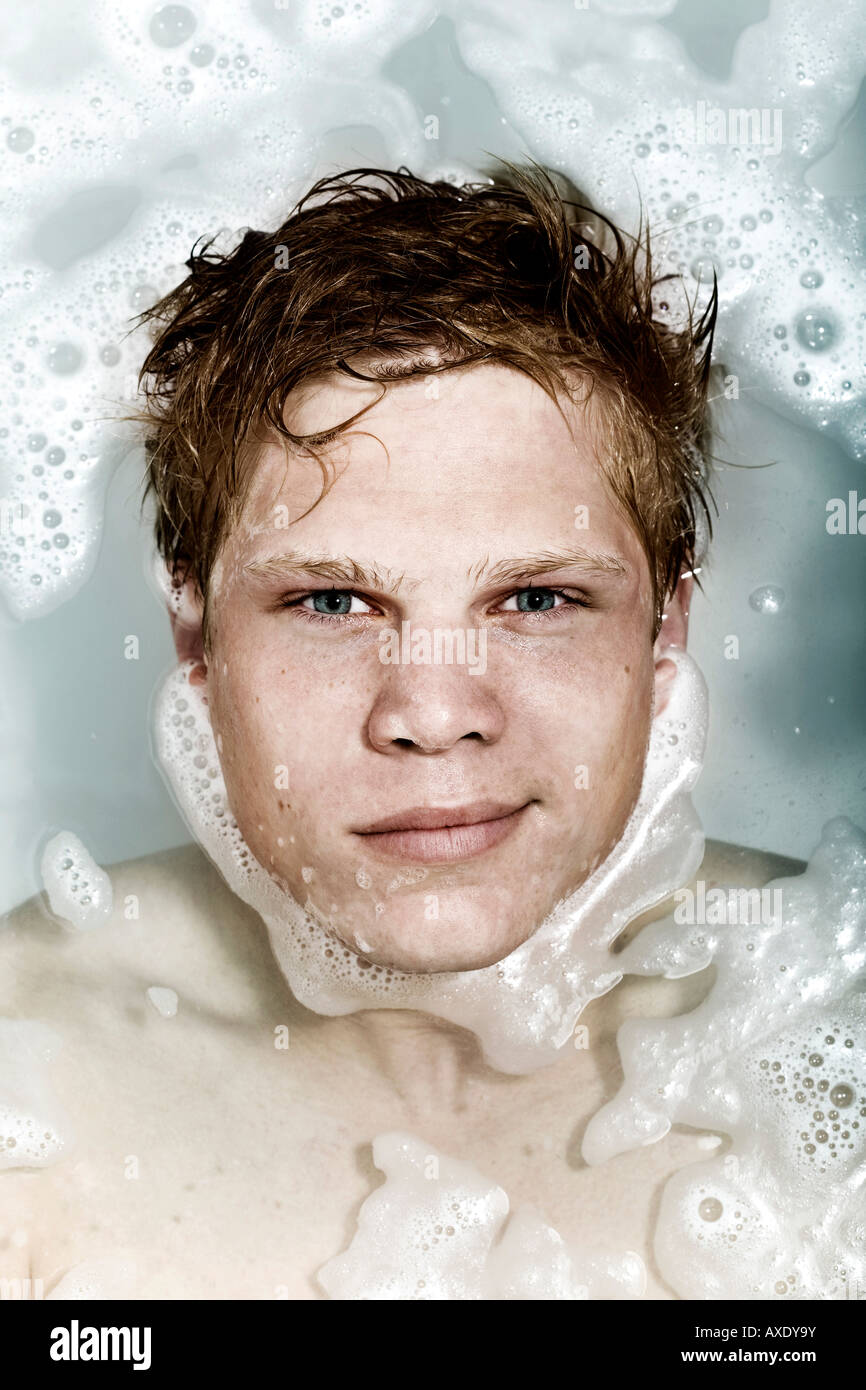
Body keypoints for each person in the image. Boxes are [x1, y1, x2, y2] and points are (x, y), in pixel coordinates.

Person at [0, 167, 803, 1299]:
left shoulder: (831, 1026)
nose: (431, 716)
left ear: (663, 630)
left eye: (534, 600)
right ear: (196, 637)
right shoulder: (25, 1074)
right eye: (332, 604)